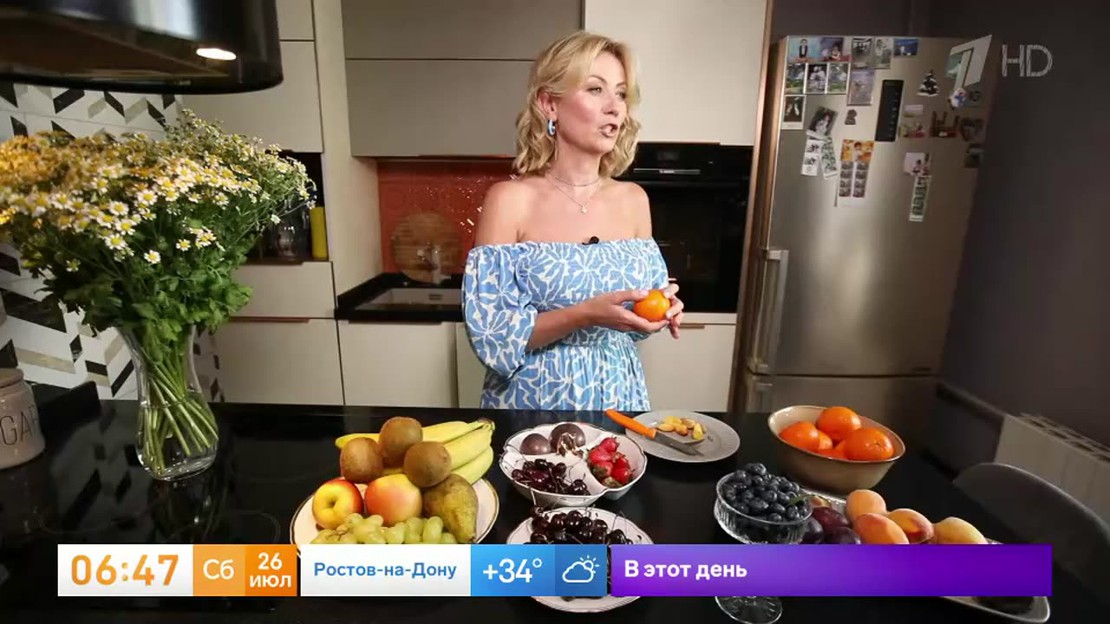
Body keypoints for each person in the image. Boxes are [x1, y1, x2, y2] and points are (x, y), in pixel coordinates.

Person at [461, 31, 684, 411]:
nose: (614, 108)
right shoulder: (510, 200)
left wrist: (663, 307)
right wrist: (584, 315)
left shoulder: (634, 200)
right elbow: (491, 336)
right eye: (596, 89)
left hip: (618, 396)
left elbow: (637, 320)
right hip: (532, 403)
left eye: (621, 94)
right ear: (550, 104)